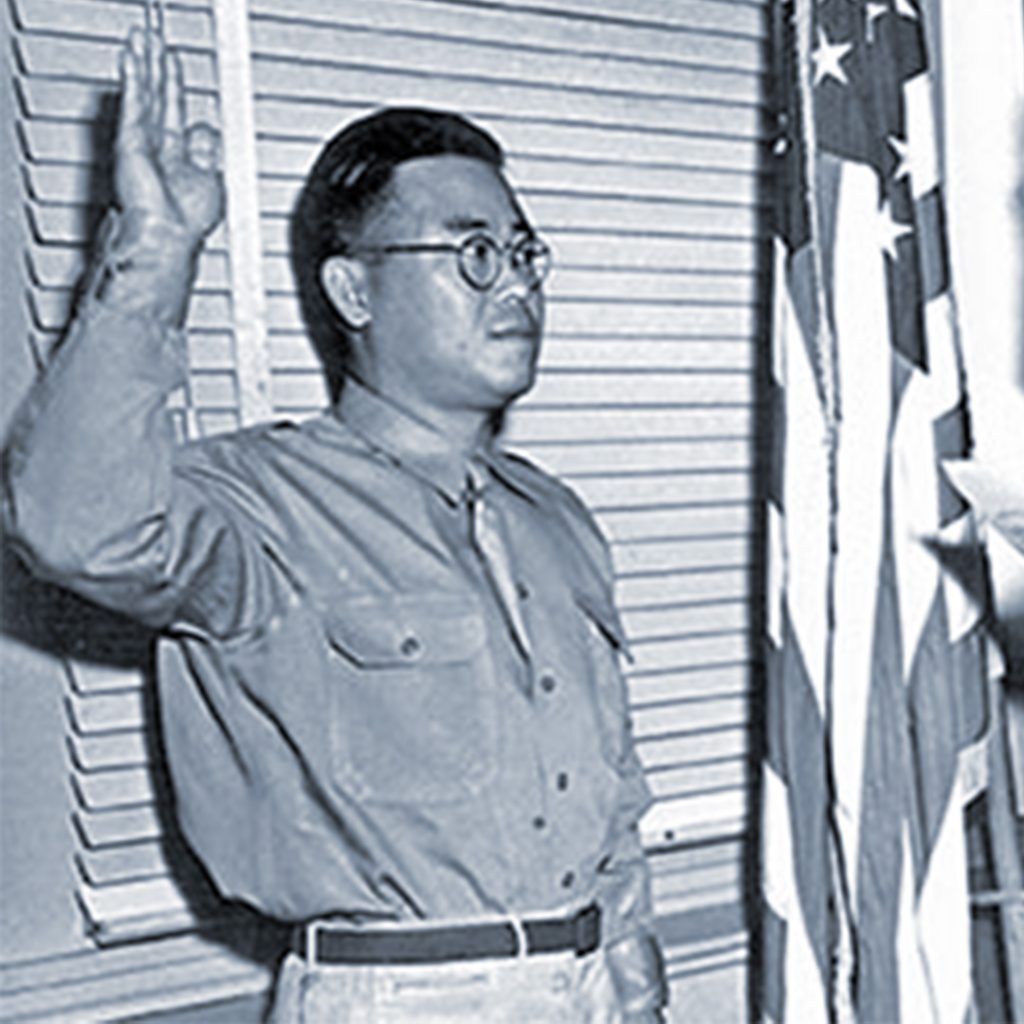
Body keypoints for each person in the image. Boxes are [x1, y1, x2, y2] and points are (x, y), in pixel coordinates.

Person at [3, 27, 668, 1024]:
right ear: (353, 289)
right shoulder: (261, 506)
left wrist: (637, 986)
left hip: (592, 986)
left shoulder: (553, 519)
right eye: (472, 254)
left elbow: (610, 800)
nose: (519, 282)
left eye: (523, 251)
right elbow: (71, 525)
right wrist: (154, 253)